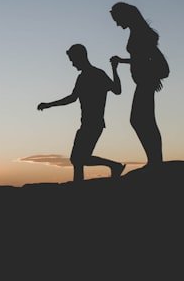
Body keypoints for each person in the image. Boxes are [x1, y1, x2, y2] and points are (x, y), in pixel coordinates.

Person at [37, 44, 126, 182]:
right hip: (88, 123)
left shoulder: (95, 74)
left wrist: (114, 69)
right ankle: (84, 181)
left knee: (79, 158)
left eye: (73, 60)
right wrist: (49, 105)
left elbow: (117, 90)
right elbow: (72, 98)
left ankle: (114, 166)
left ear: (81, 57)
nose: (72, 64)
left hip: (94, 124)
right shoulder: (86, 76)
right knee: (77, 160)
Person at [109, 2, 168, 168]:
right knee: (144, 120)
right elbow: (140, 58)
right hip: (143, 83)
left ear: (125, 16)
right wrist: (123, 60)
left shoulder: (141, 34)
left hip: (145, 83)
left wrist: (152, 77)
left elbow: (160, 63)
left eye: (117, 19)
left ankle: (155, 161)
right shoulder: (137, 32)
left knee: (141, 120)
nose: (116, 23)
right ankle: (154, 160)